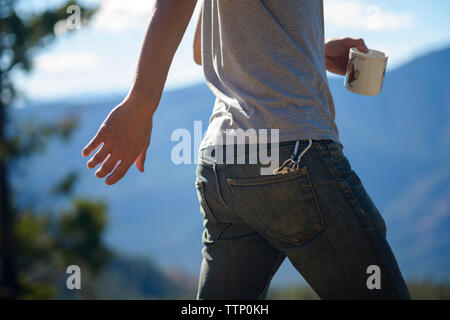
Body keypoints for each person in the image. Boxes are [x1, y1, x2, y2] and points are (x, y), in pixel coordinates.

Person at [82, 0, 411, 300]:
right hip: (291, 153)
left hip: (223, 165)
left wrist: (315, 51)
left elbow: (203, 48)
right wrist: (142, 102)